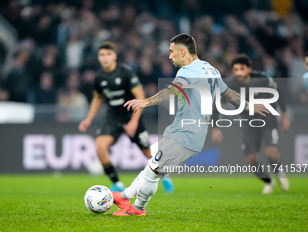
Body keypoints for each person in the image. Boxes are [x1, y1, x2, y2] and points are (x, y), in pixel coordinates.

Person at [112, 34, 269, 216]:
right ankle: (124, 196)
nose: (170, 57)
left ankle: (137, 209)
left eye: (171, 52)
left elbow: (170, 92)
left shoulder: (187, 72)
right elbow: (230, 95)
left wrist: (145, 102)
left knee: (152, 171)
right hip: (183, 132)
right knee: (153, 157)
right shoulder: (211, 70)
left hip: (186, 135)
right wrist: (250, 106)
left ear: (182, 51)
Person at [78, 41, 174, 192]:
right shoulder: (99, 77)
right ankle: (117, 183)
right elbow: (98, 98)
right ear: (98, 57)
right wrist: (88, 119)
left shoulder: (126, 72)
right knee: (100, 147)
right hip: (113, 118)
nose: (105, 58)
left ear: (114, 56)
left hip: (131, 115)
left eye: (108, 54)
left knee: (148, 153)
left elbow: (140, 96)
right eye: (102, 55)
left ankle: (165, 175)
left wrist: (134, 121)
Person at [211, 54, 290, 194]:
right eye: (235, 69)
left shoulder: (263, 79)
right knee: (251, 160)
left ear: (249, 69)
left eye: (242, 69)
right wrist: (215, 127)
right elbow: (217, 105)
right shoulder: (230, 85)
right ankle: (268, 181)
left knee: (271, 153)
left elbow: (278, 93)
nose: (239, 73)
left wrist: (284, 115)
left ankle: (278, 172)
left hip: (267, 119)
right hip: (248, 123)